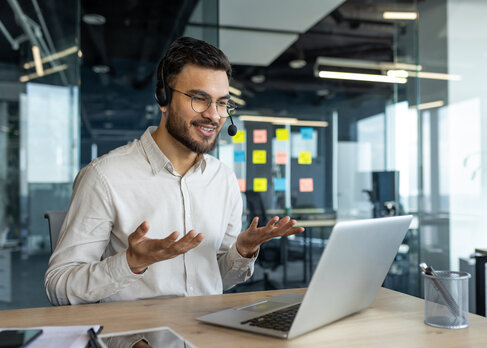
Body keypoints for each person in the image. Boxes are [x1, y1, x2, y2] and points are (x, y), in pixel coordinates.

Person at [45, 37, 304, 306]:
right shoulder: (104, 176)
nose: (214, 115)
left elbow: (220, 279)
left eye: (221, 103)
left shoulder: (223, 179)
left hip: (209, 331)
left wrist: (243, 250)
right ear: (163, 99)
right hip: (135, 339)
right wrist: (130, 263)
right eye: (199, 99)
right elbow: (58, 286)